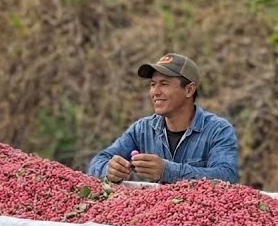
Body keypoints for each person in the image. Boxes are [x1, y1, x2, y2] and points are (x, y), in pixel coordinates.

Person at [87, 53, 239, 184]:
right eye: (152, 84)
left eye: (164, 84)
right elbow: (97, 162)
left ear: (189, 90)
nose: (155, 92)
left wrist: (167, 171)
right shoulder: (142, 130)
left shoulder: (218, 130)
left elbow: (227, 176)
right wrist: (109, 170)